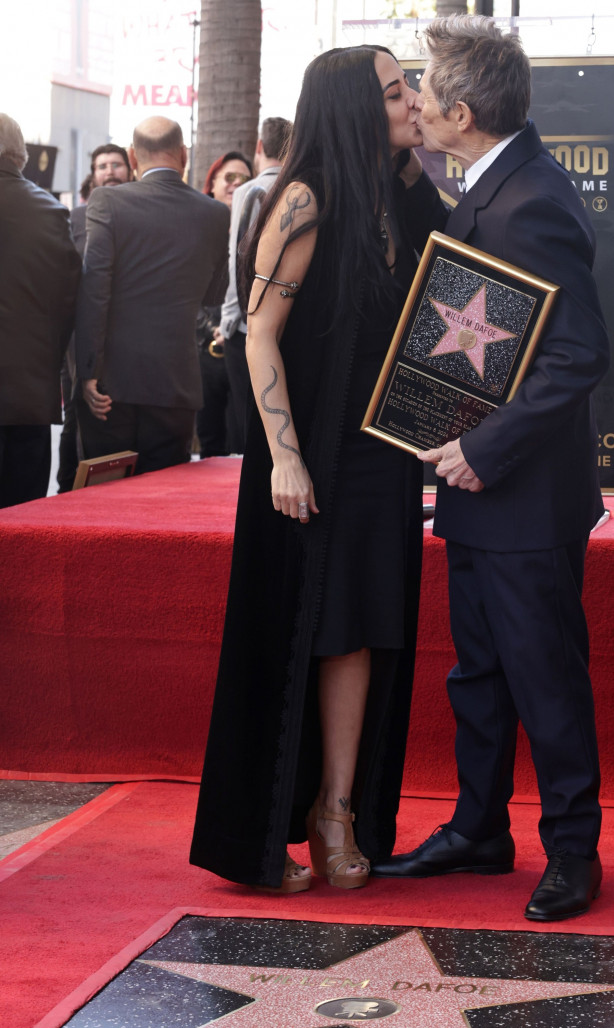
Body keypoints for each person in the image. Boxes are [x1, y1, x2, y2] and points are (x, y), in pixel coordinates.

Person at [190, 49, 448, 891]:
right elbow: (257, 335)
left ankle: (337, 809)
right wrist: (285, 457)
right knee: (318, 633)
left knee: (370, 631)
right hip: (307, 458)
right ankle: (297, 820)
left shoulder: (398, 196)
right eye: (394, 91)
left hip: (381, 456)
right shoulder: (305, 198)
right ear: (350, 106)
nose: (411, 99)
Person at [371, 16, 610, 923]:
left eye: (424, 93)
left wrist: (481, 447)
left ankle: (573, 852)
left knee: (543, 671)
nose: (418, 106)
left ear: (462, 112)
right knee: (479, 671)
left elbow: (581, 355)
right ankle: (479, 829)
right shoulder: (493, 182)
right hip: (479, 491)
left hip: (521, 492)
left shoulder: (532, 198)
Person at [75, 117, 229, 475]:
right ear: (184, 155)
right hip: (176, 381)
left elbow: (94, 289)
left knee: (105, 496)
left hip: (111, 383)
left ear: (132, 156)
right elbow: (214, 293)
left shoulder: (106, 202)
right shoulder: (215, 213)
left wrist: (87, 370)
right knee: (163, 502)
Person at [0, 113, 81, 508]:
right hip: (29, 397)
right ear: (22, 155)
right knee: (19, 527)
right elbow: (69, 299)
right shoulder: (51, 211)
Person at [58, 143, 133, 493]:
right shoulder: (73, 218)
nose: (110, 171)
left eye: (117, 164)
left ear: (129, 170)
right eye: (102, 165)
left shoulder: (138, 215)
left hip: (126, 341)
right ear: (93, 174)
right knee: (75, 421)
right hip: (77, 340)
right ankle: (65, 493)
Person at [219, 118, 293, 451]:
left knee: (246, 420)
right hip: (289, 318)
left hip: (250, 325)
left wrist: (230, 320)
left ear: (259, 148)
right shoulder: (303, 186)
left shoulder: (249, 191)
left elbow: (240, 259)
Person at [196, 151, 253, 458]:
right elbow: (186, 289)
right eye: (228, 178)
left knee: (242, 440)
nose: (235, 184)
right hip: (205, 351)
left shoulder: (262, 231)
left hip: (245, 348)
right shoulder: (197, 231)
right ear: (213, 184)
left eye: (243, 178)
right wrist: (212, 328)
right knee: (209, 443)